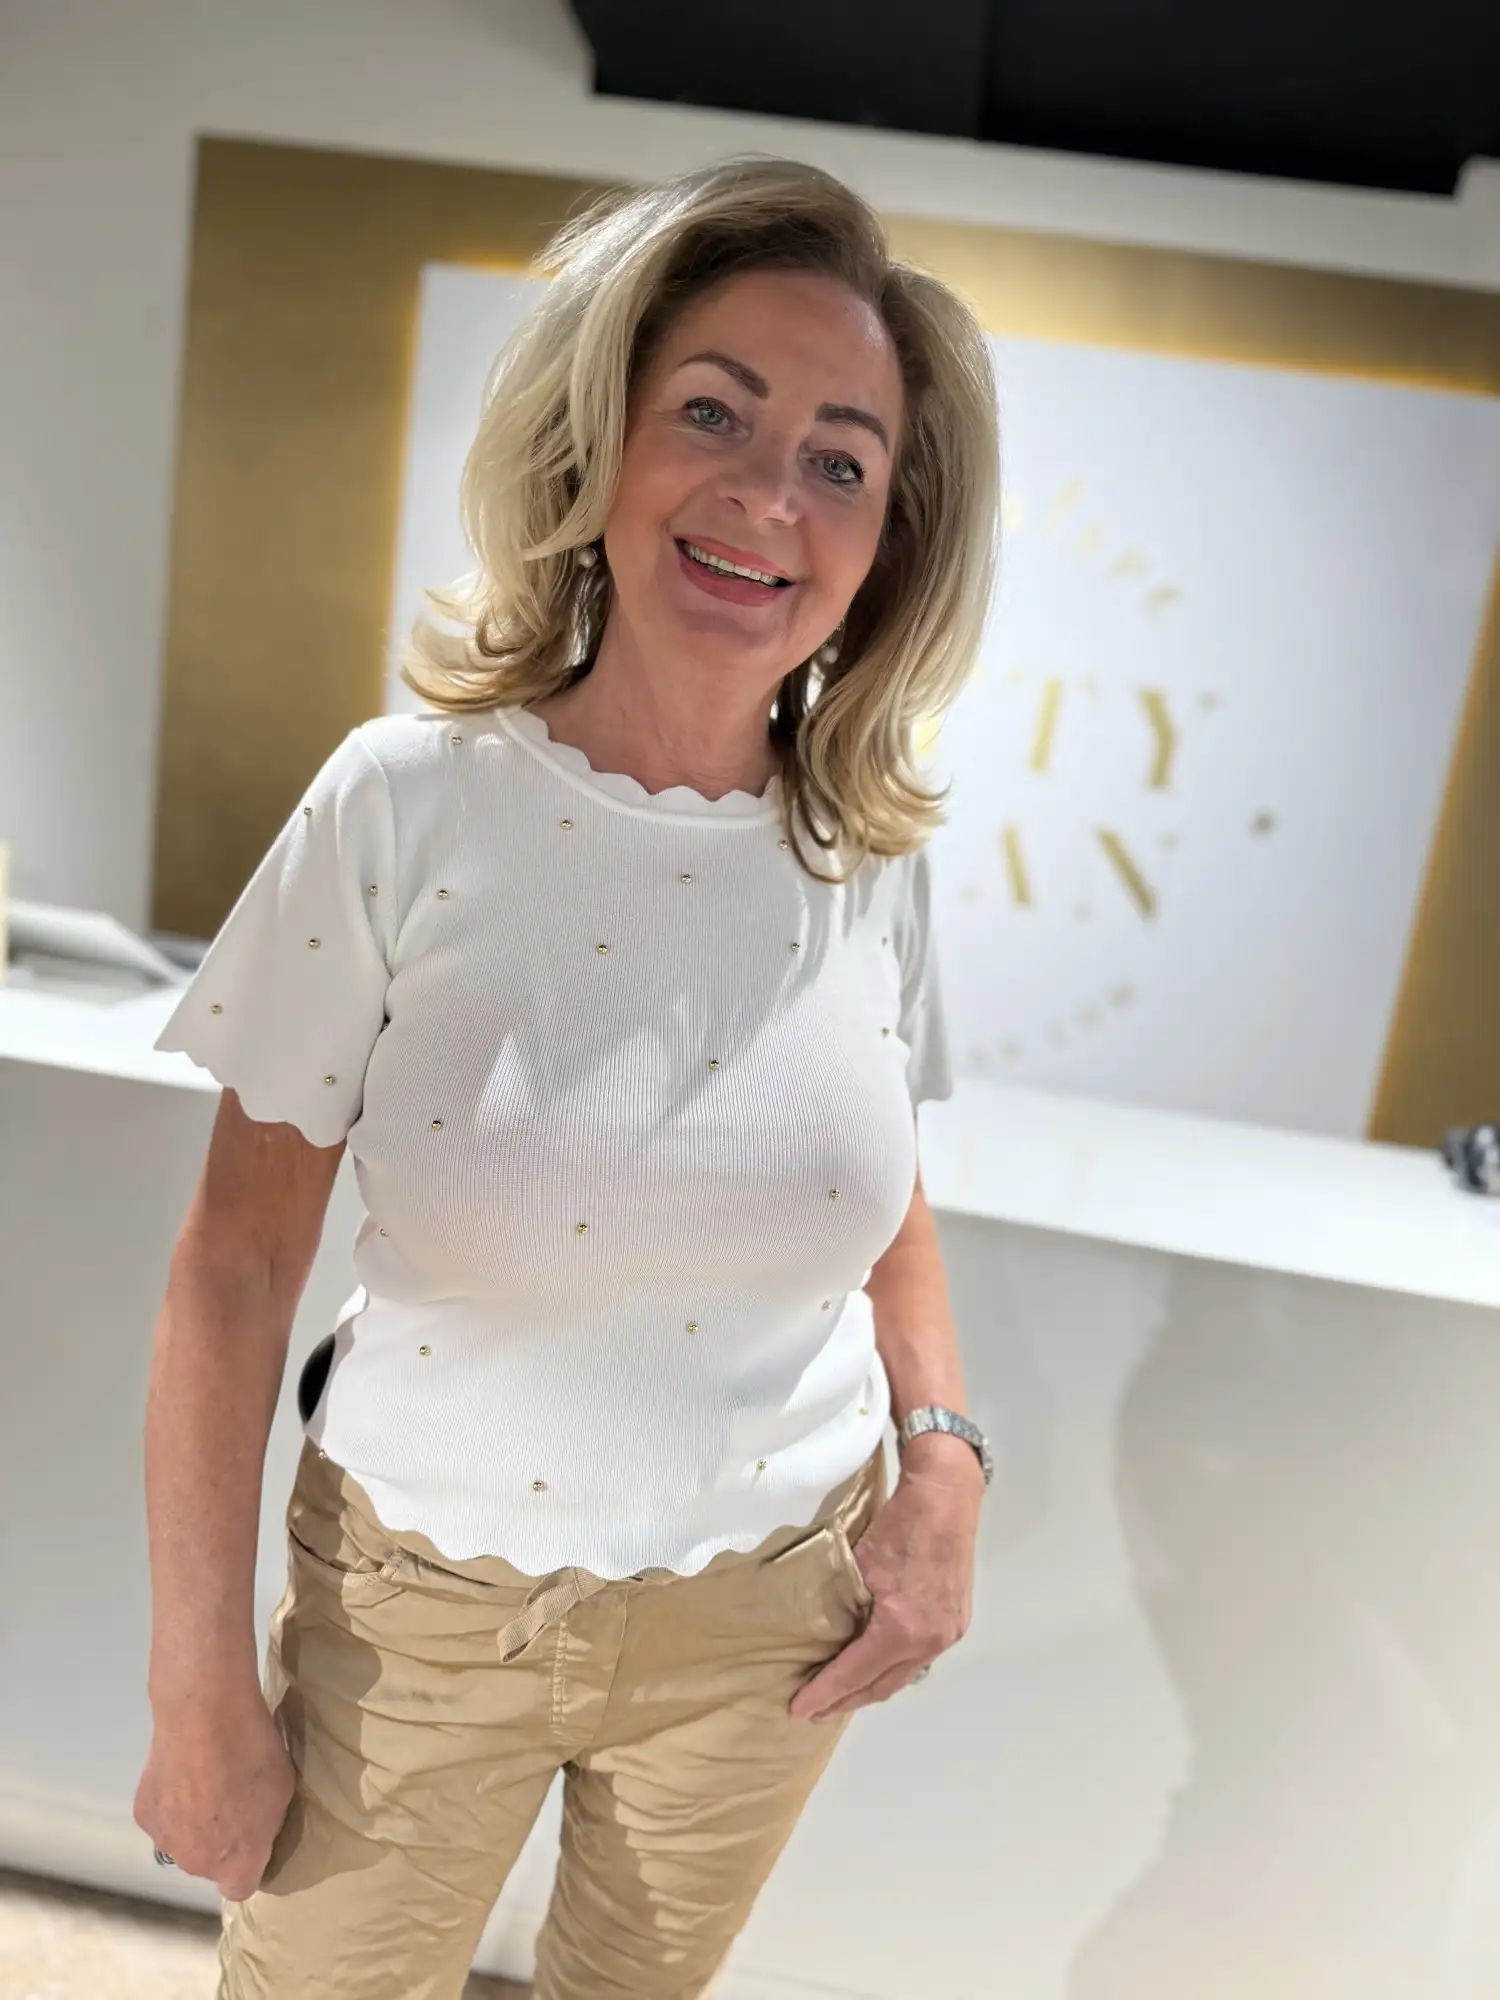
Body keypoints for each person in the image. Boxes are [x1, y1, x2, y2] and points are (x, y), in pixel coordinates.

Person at [134, 154, 1000, 1999]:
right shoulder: (401, 806)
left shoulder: (869, 857)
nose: (768, 497)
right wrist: (197, 1690)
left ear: (889, 539)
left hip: (770, 1621)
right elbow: (231, 1271)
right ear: (597, 437)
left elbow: (881, 1198)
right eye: (714, 414)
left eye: (841, 460)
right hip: (420, 1616)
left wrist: (944, 1466)